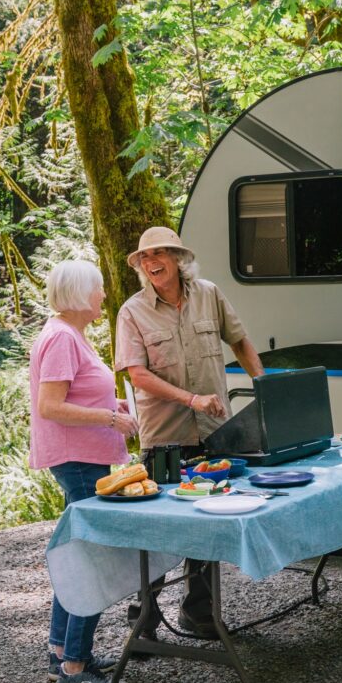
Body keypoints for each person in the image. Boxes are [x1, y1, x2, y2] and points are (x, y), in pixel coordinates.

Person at [115, 226, 264, 638]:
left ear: (179, 259)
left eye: (160, 253)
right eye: (145, 257)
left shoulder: (209, 294)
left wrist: (265, 384)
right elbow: (137, 375)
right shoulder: (132, 311)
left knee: (207, 527)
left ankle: (197, 612)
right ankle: (143, 619)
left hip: (215, 435)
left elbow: (240, 340)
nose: (151, 262)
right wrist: (191, 399)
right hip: (165, 439)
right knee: (158, 530)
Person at [29, 259, 139, 683]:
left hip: (84, 457)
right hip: (76, 460)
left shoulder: (71, 335)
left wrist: (114, 404)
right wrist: (109, 417)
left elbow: (76, 393)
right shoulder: (60, 337)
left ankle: (62, 654)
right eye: (97, 290)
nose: (103, 297)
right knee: (90, 559)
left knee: (76, 555)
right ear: (79, 294)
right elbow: (50, 406)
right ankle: (75, 667)